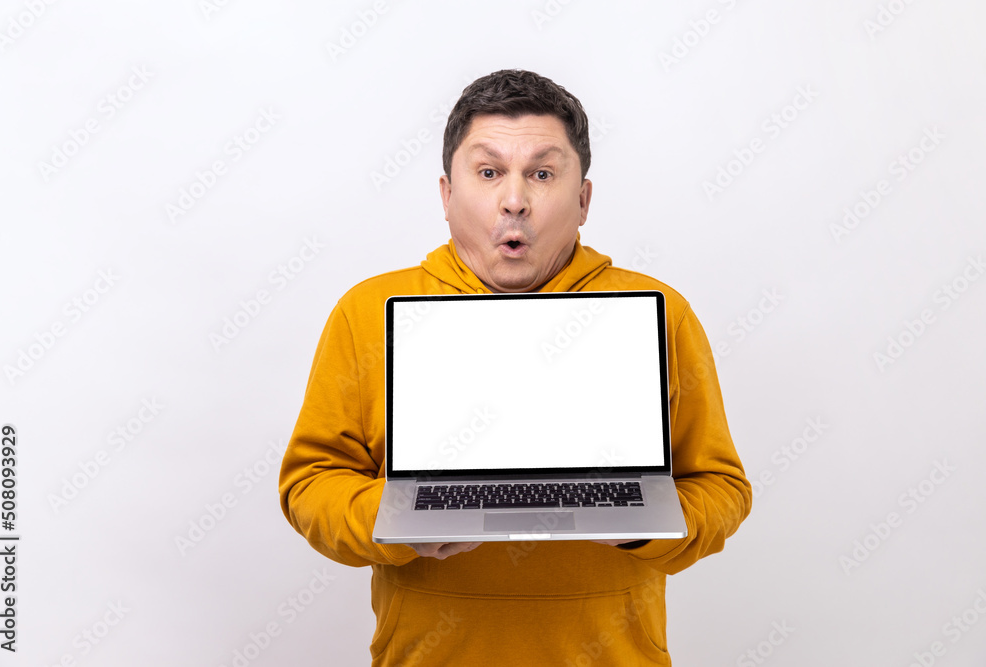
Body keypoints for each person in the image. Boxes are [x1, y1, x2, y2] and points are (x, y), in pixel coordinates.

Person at [279, 69, 751, 666]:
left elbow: (722, 488)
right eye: (489, 171)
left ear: (583, 200)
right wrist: (397, 521)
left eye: (543, 173)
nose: (515, 199)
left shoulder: (660, 315)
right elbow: (309, 485)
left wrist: (644, 525)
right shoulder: (366, 313)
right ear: (447, 195)